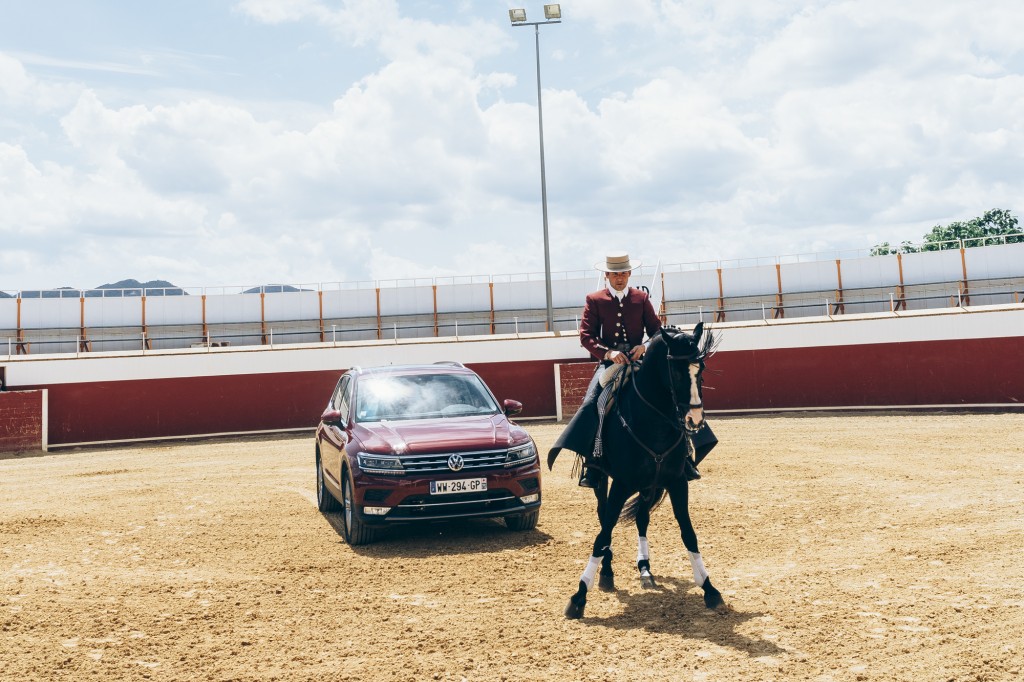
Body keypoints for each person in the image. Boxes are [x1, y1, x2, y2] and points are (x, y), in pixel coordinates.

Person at [569, 252, 663, 487]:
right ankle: (592, 463)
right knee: (592, 402)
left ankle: (685, 455)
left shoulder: (641, 298)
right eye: (615, 273)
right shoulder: (594, 299)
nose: (619, 277)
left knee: (673, 393)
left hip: (638, 361)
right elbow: (586, 336)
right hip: (610, 363)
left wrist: (645, 346)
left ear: (629, 274)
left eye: (623, 273)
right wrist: (608, 353)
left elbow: (657, 331)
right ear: (607, 275)